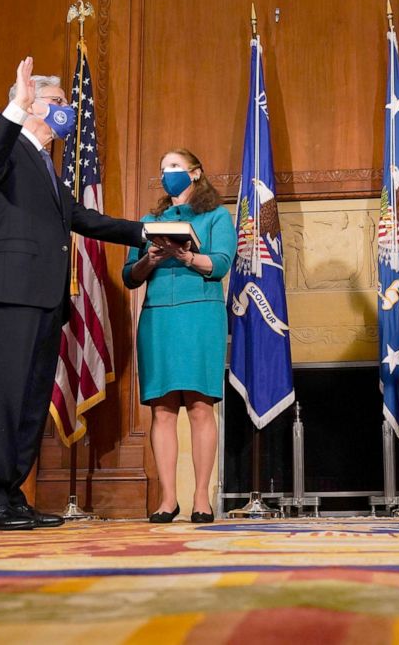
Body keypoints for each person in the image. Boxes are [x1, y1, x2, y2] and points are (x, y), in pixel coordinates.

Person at [0, 57, 145, 530]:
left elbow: (87, 220)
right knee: (6, 394)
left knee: (30, 399)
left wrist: (151, 233)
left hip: (46, 297)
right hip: (12, 291)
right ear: (30, 103)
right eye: (59, 101)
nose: (67, 110)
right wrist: (16, 108)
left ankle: (10, 494)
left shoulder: (46, 165)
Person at [123, 149, 236, 524]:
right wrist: (151, 260)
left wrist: (186, 256)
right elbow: (129, 275)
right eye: (163, 168)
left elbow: (220, 263)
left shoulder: (216, 216)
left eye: (174, 166)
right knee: (162, 408)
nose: (167, 173)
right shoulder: (149, 220)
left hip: (200, 315)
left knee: (202, 406)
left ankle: (201, 497)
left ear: (195, 173)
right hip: (158, 318)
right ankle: (167, 499)